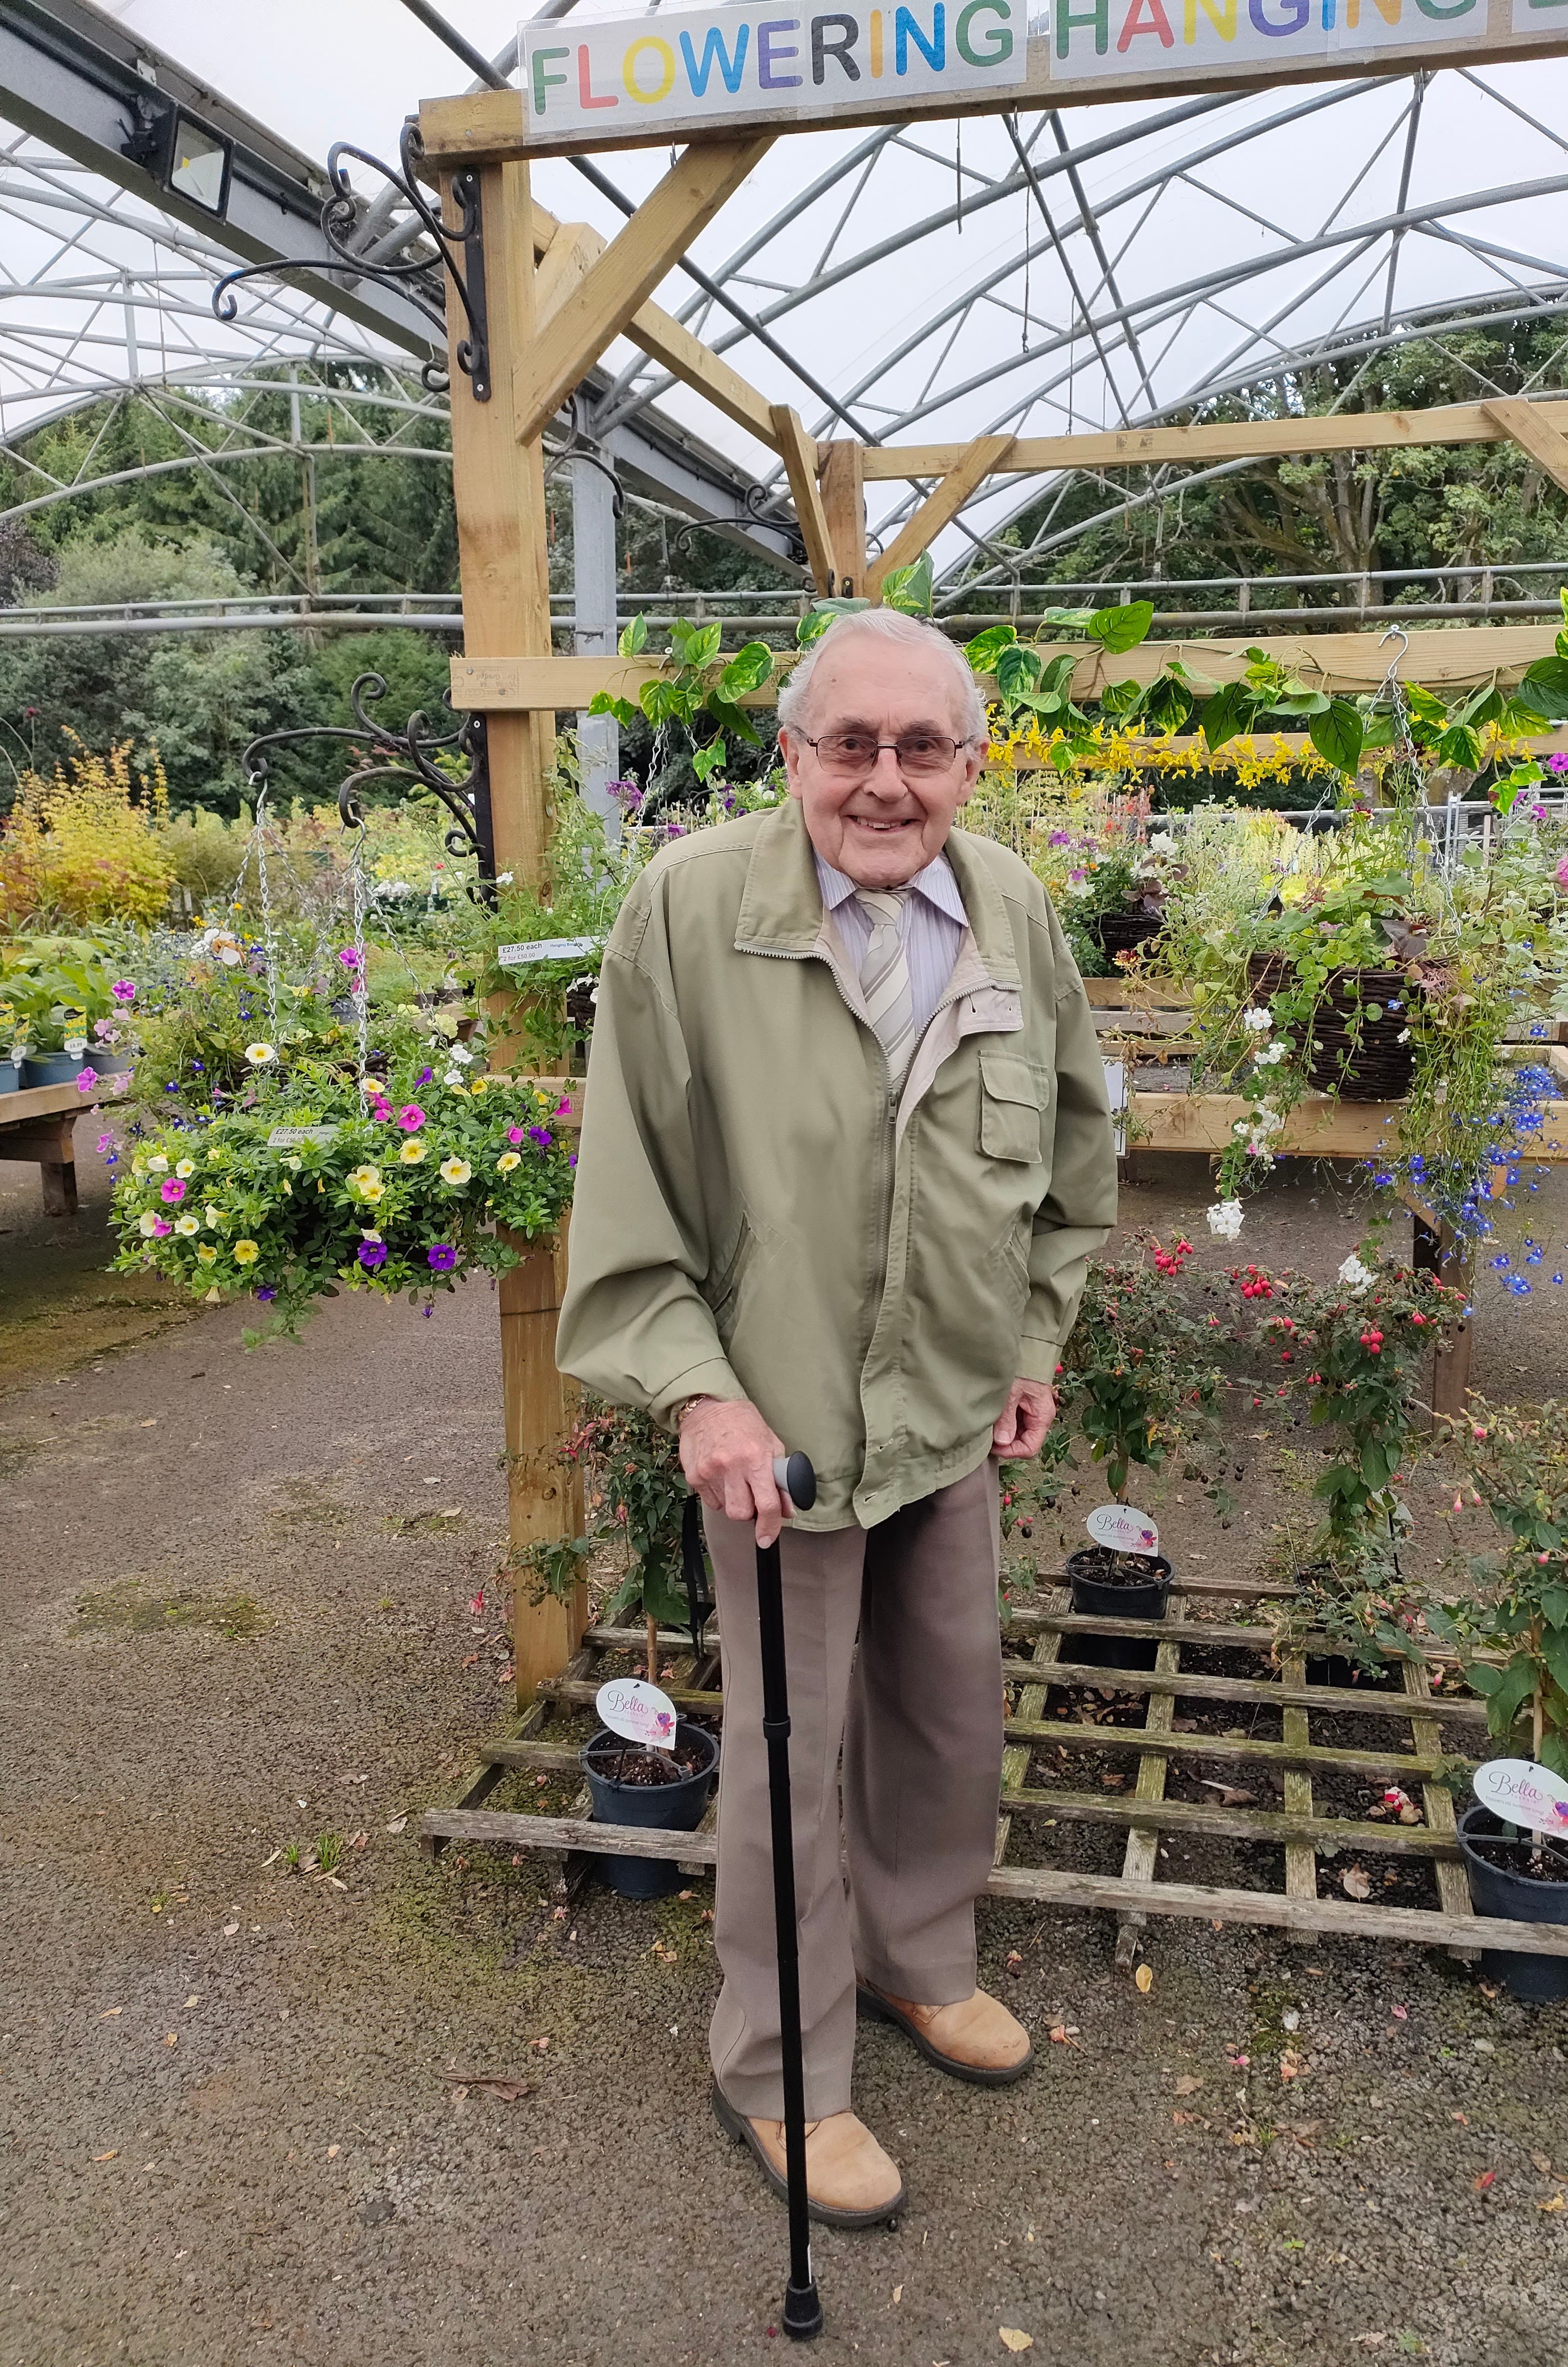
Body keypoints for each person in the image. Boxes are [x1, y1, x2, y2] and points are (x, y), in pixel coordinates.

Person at [557, 606, 1117, 2227]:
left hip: (946, 1406)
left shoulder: (1006, 903)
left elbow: (1073, 1159)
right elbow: (630, 1195)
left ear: (969, 761)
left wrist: (1032, 1342)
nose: (884, 782)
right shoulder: (690, 910)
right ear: (790, 752)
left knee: (946, 1713)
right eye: (848, 744)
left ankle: (915, 1958)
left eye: (919, 747)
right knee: (789, 1763)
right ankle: (780, 2066)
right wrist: (700, 1394)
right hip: (779, 1431)